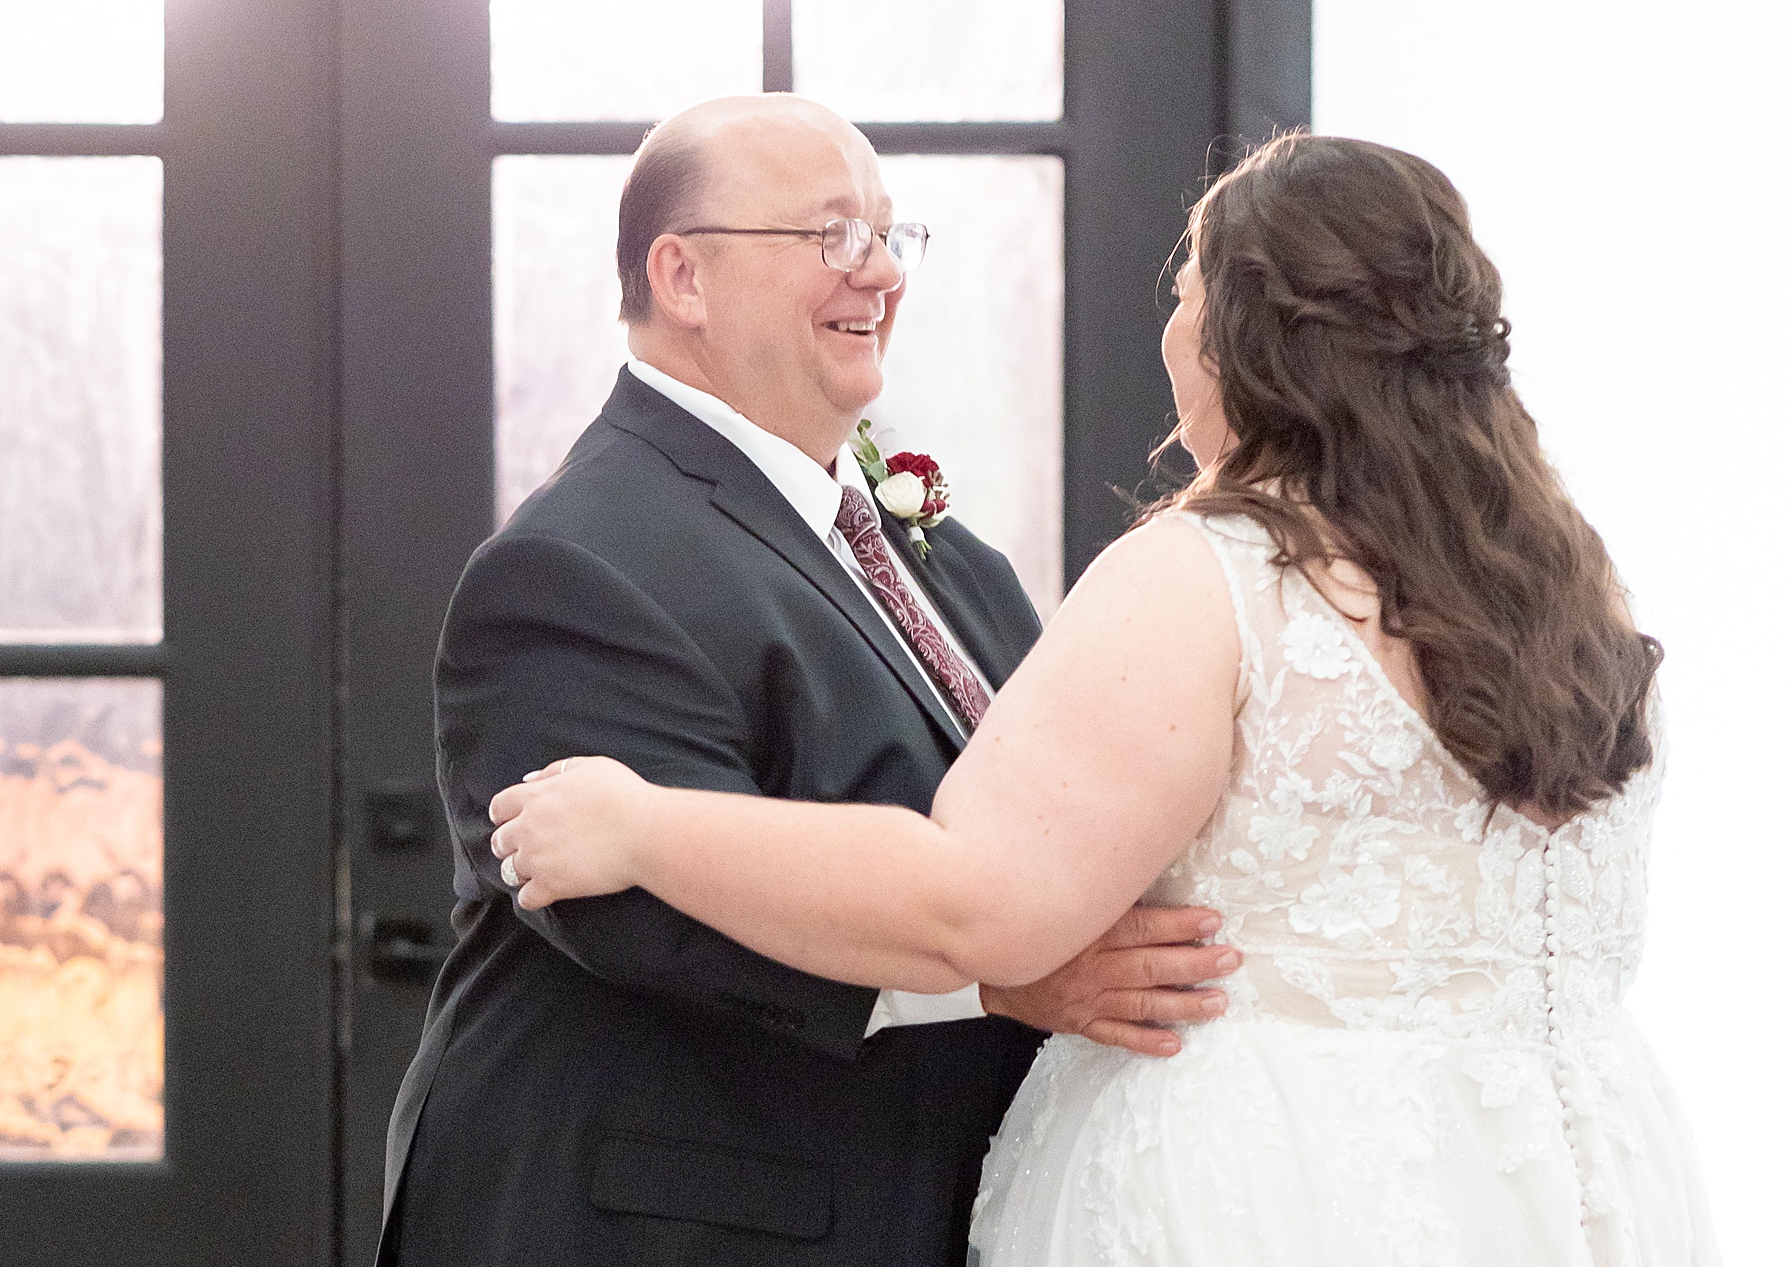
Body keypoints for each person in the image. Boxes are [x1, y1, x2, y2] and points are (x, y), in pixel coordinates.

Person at [490, 133, 1722, 1266]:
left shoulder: (1216, 572)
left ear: (1245, 333)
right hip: (1554, 1172)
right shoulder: (1570, 589)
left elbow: (981, 902)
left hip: (1266, 1181)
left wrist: (642, 825)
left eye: (1185, 293)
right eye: (828, 234)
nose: (1173, 328)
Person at [376, 94, 1234, 1267]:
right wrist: (1002, 976)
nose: (878, 271)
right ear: (682, 276)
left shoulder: (939, 552)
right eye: (831, 235)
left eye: (887, 235)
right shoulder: (571, 564)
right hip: (674, 1221)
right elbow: (635, 912)